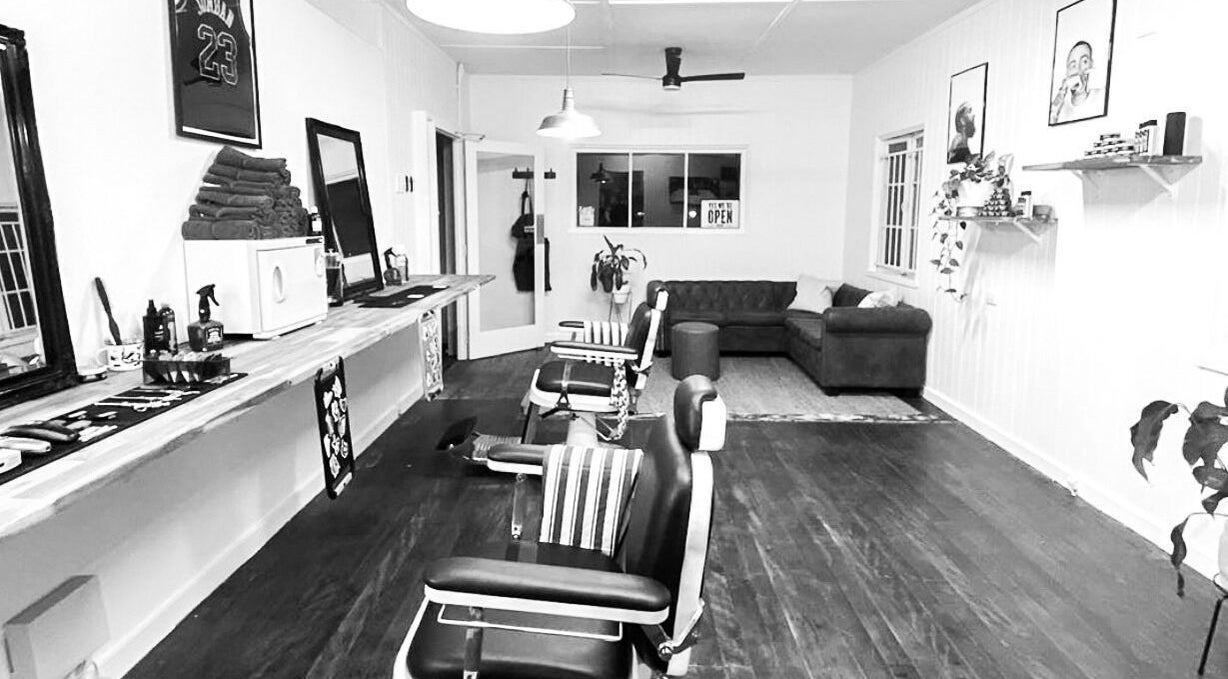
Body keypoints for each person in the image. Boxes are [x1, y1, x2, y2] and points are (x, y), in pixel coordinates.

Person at [1050, 41, 1106, 124]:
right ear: (1067, 73)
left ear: (1091, 65)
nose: (1079, 70)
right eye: (1073, 65)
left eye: (1084, 62)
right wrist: (1062, 90)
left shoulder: (1102, 96)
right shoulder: (1060, 109)